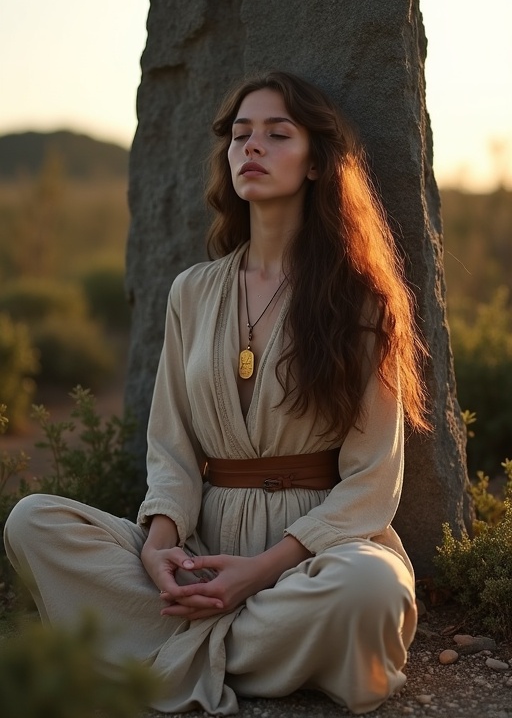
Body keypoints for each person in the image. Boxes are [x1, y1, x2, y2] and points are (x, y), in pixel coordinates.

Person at [4, 71, 430, 715]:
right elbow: (171, 448)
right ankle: (257, 648)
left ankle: (161, 646)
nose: (251, 147)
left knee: (371, 589)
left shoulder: (360, 298)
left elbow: (374, 480)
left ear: (316, 162)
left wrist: (259, 573)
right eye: (240, 135)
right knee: (33, 522)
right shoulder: (192, 291)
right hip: (203, 548)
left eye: (276, 134)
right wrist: (159, 548)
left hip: (315, 554)